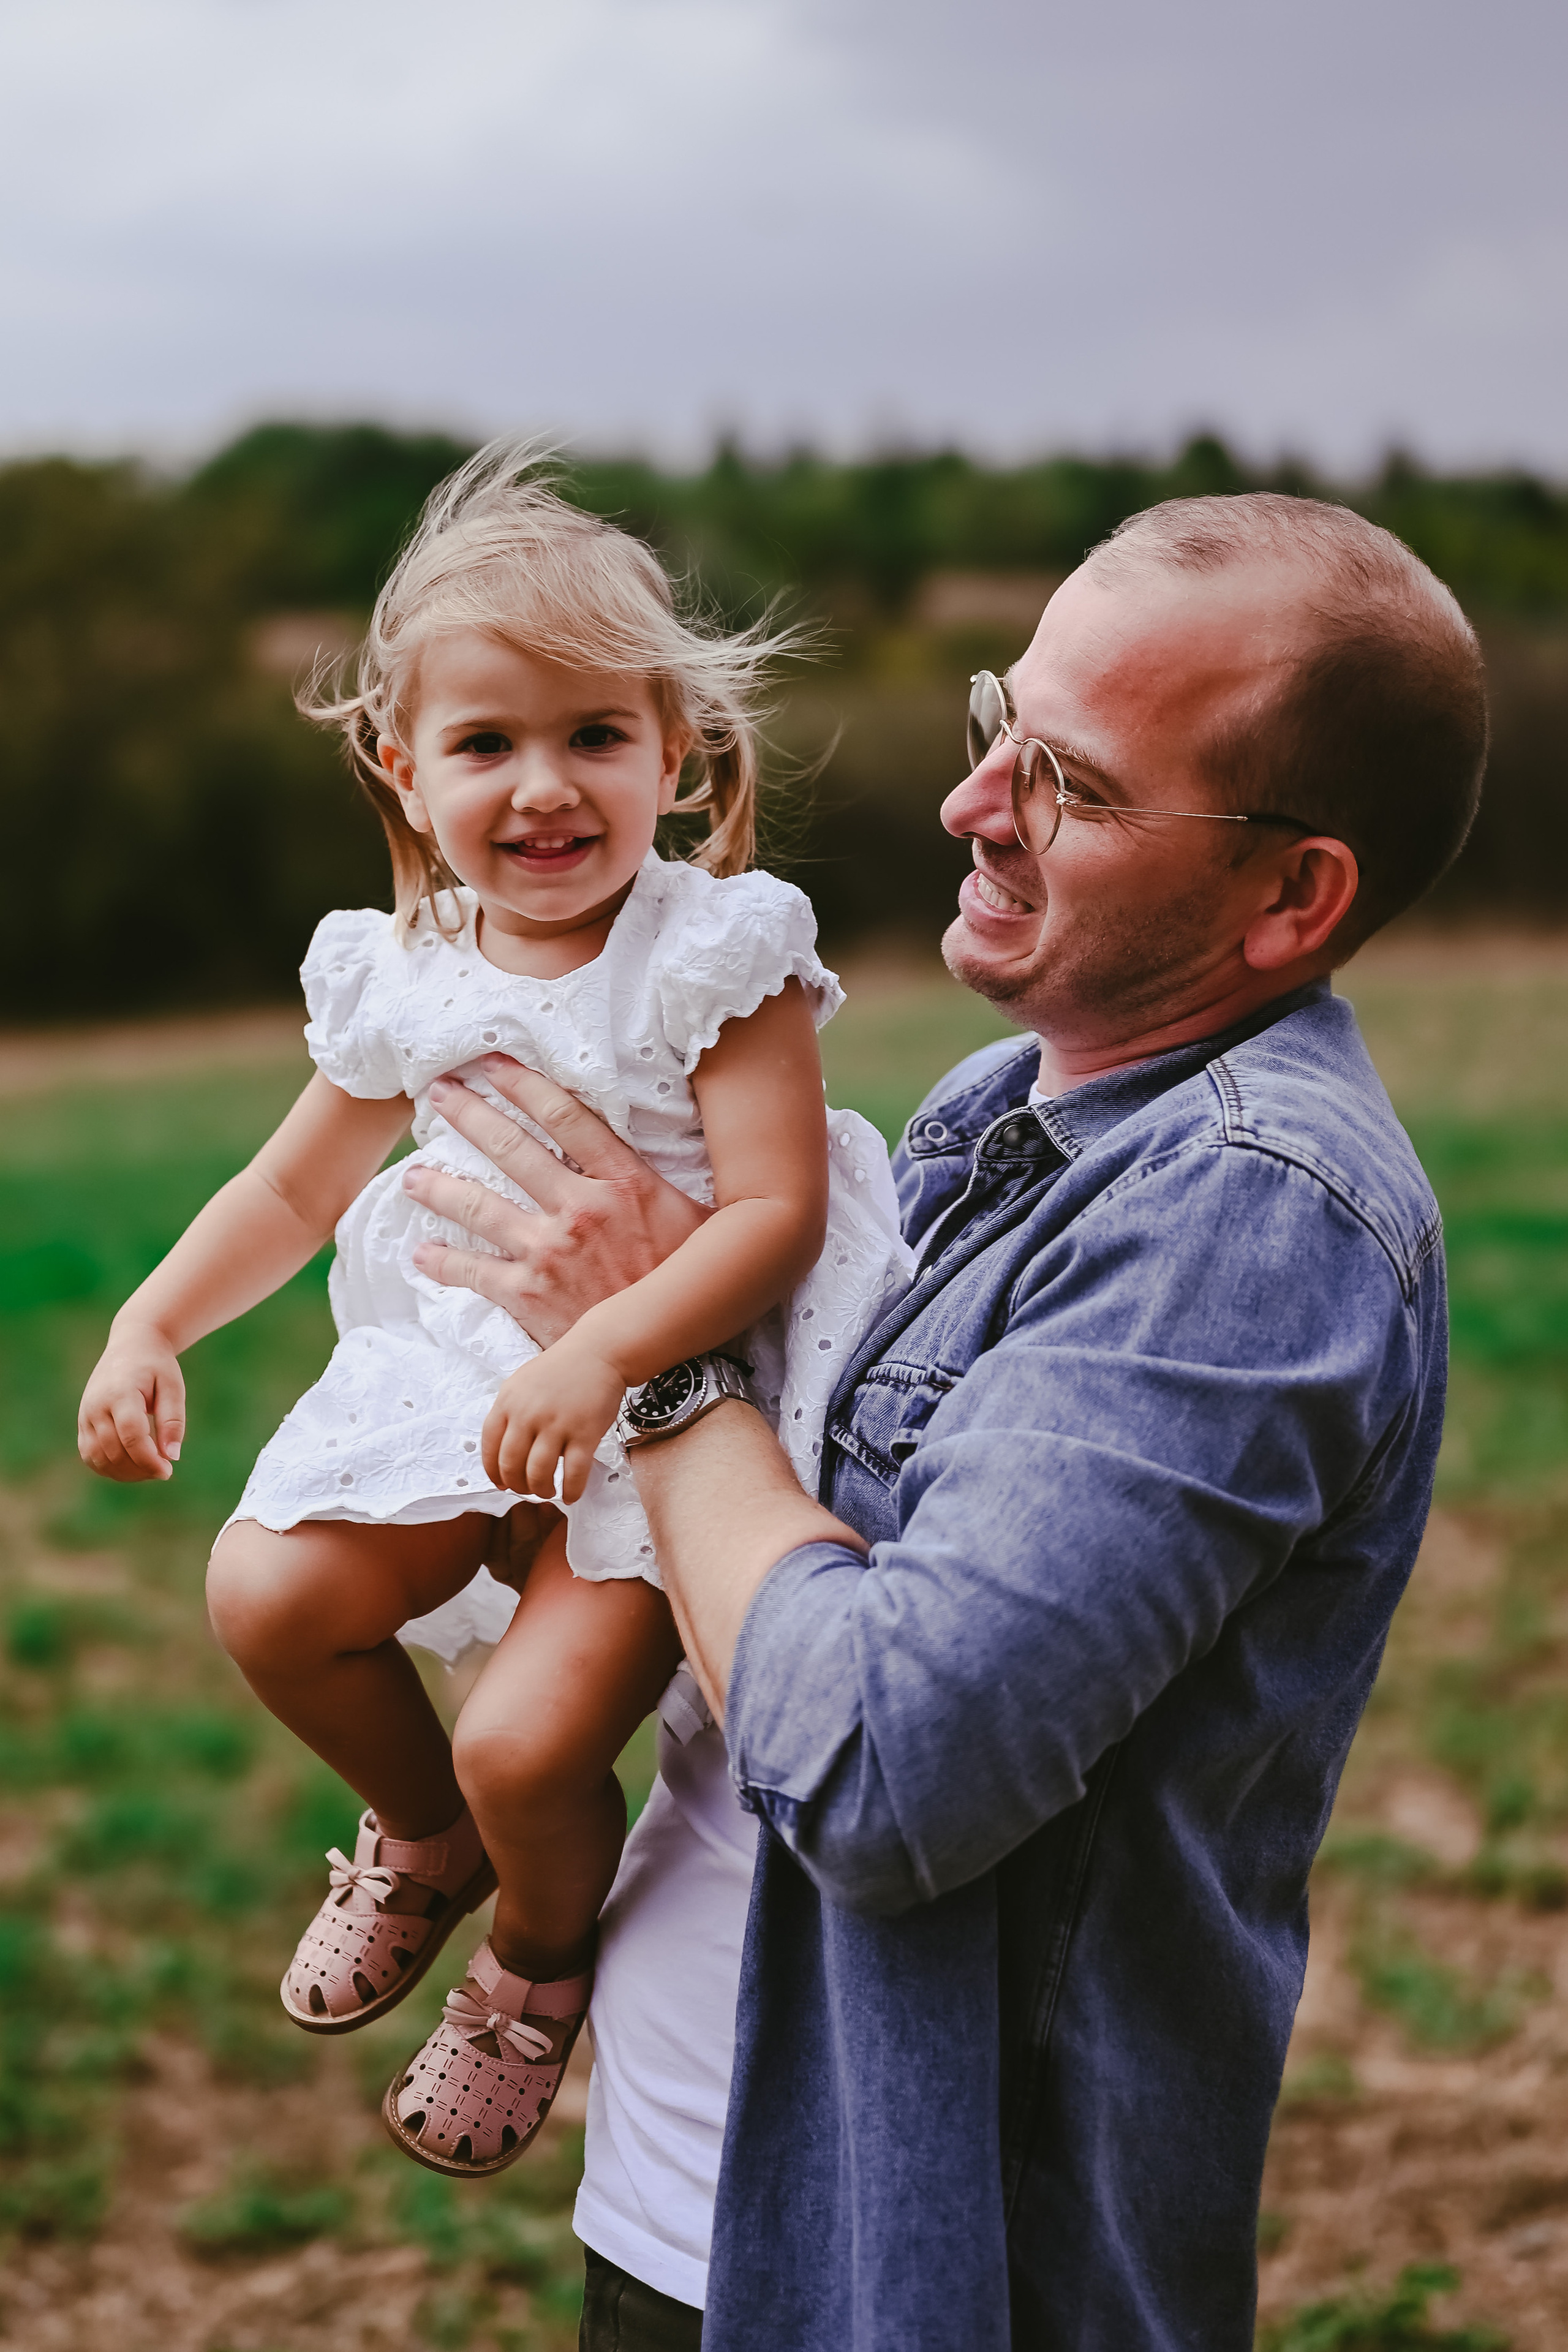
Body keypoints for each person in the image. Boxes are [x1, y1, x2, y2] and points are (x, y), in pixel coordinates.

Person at [402, 492, 1488, 2348]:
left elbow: (892, 1772)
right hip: (695, 2200)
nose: (969, 804)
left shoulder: (1248, 1215)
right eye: (1002, 721)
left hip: (913, 2270)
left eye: (1066, 780)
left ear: (1292, 896)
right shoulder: (1006, 1105)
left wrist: (656, 1360)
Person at [74, 445, 910, 2180]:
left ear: (674, 751)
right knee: (268, 1587)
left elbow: (774, 1209)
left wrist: (613, 1349)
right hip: (454, 1385)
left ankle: (538, 1951)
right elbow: (292, 1193)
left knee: (537, 1746)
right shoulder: (406, 971)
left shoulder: (711, 951)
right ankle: (422, 1831)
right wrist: (150, 1325)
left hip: (656, 1408)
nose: (546, 786)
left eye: (595, 736)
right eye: (486, 743)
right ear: (402, 763)